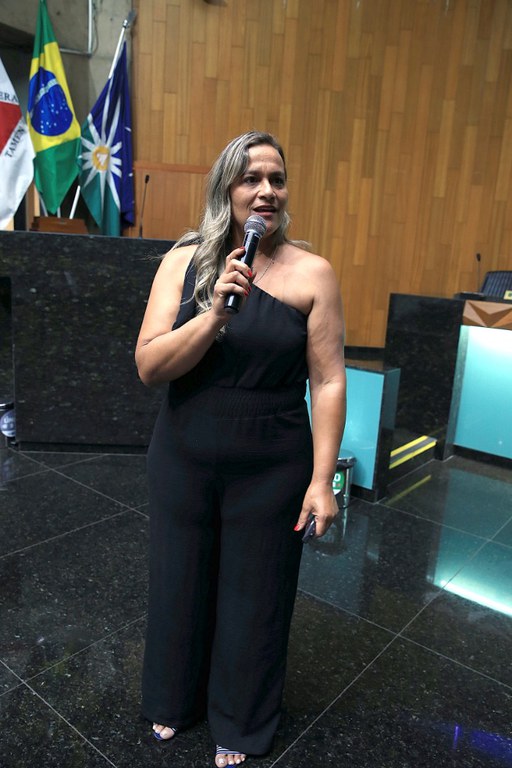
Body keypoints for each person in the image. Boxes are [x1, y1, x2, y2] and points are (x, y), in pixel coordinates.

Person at [135, 130, 346, 767]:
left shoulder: (313, 273)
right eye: (251, 177)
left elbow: (329, 381)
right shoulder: (184, 262)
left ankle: (242, 719)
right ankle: (173, 699)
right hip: (185, 454)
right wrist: (215, 315)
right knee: (179, 582)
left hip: (272, 461)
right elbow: (149, 366)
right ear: (225, 188)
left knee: (256, 596)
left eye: (277, 179)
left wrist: (322, 480)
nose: (266, 191)